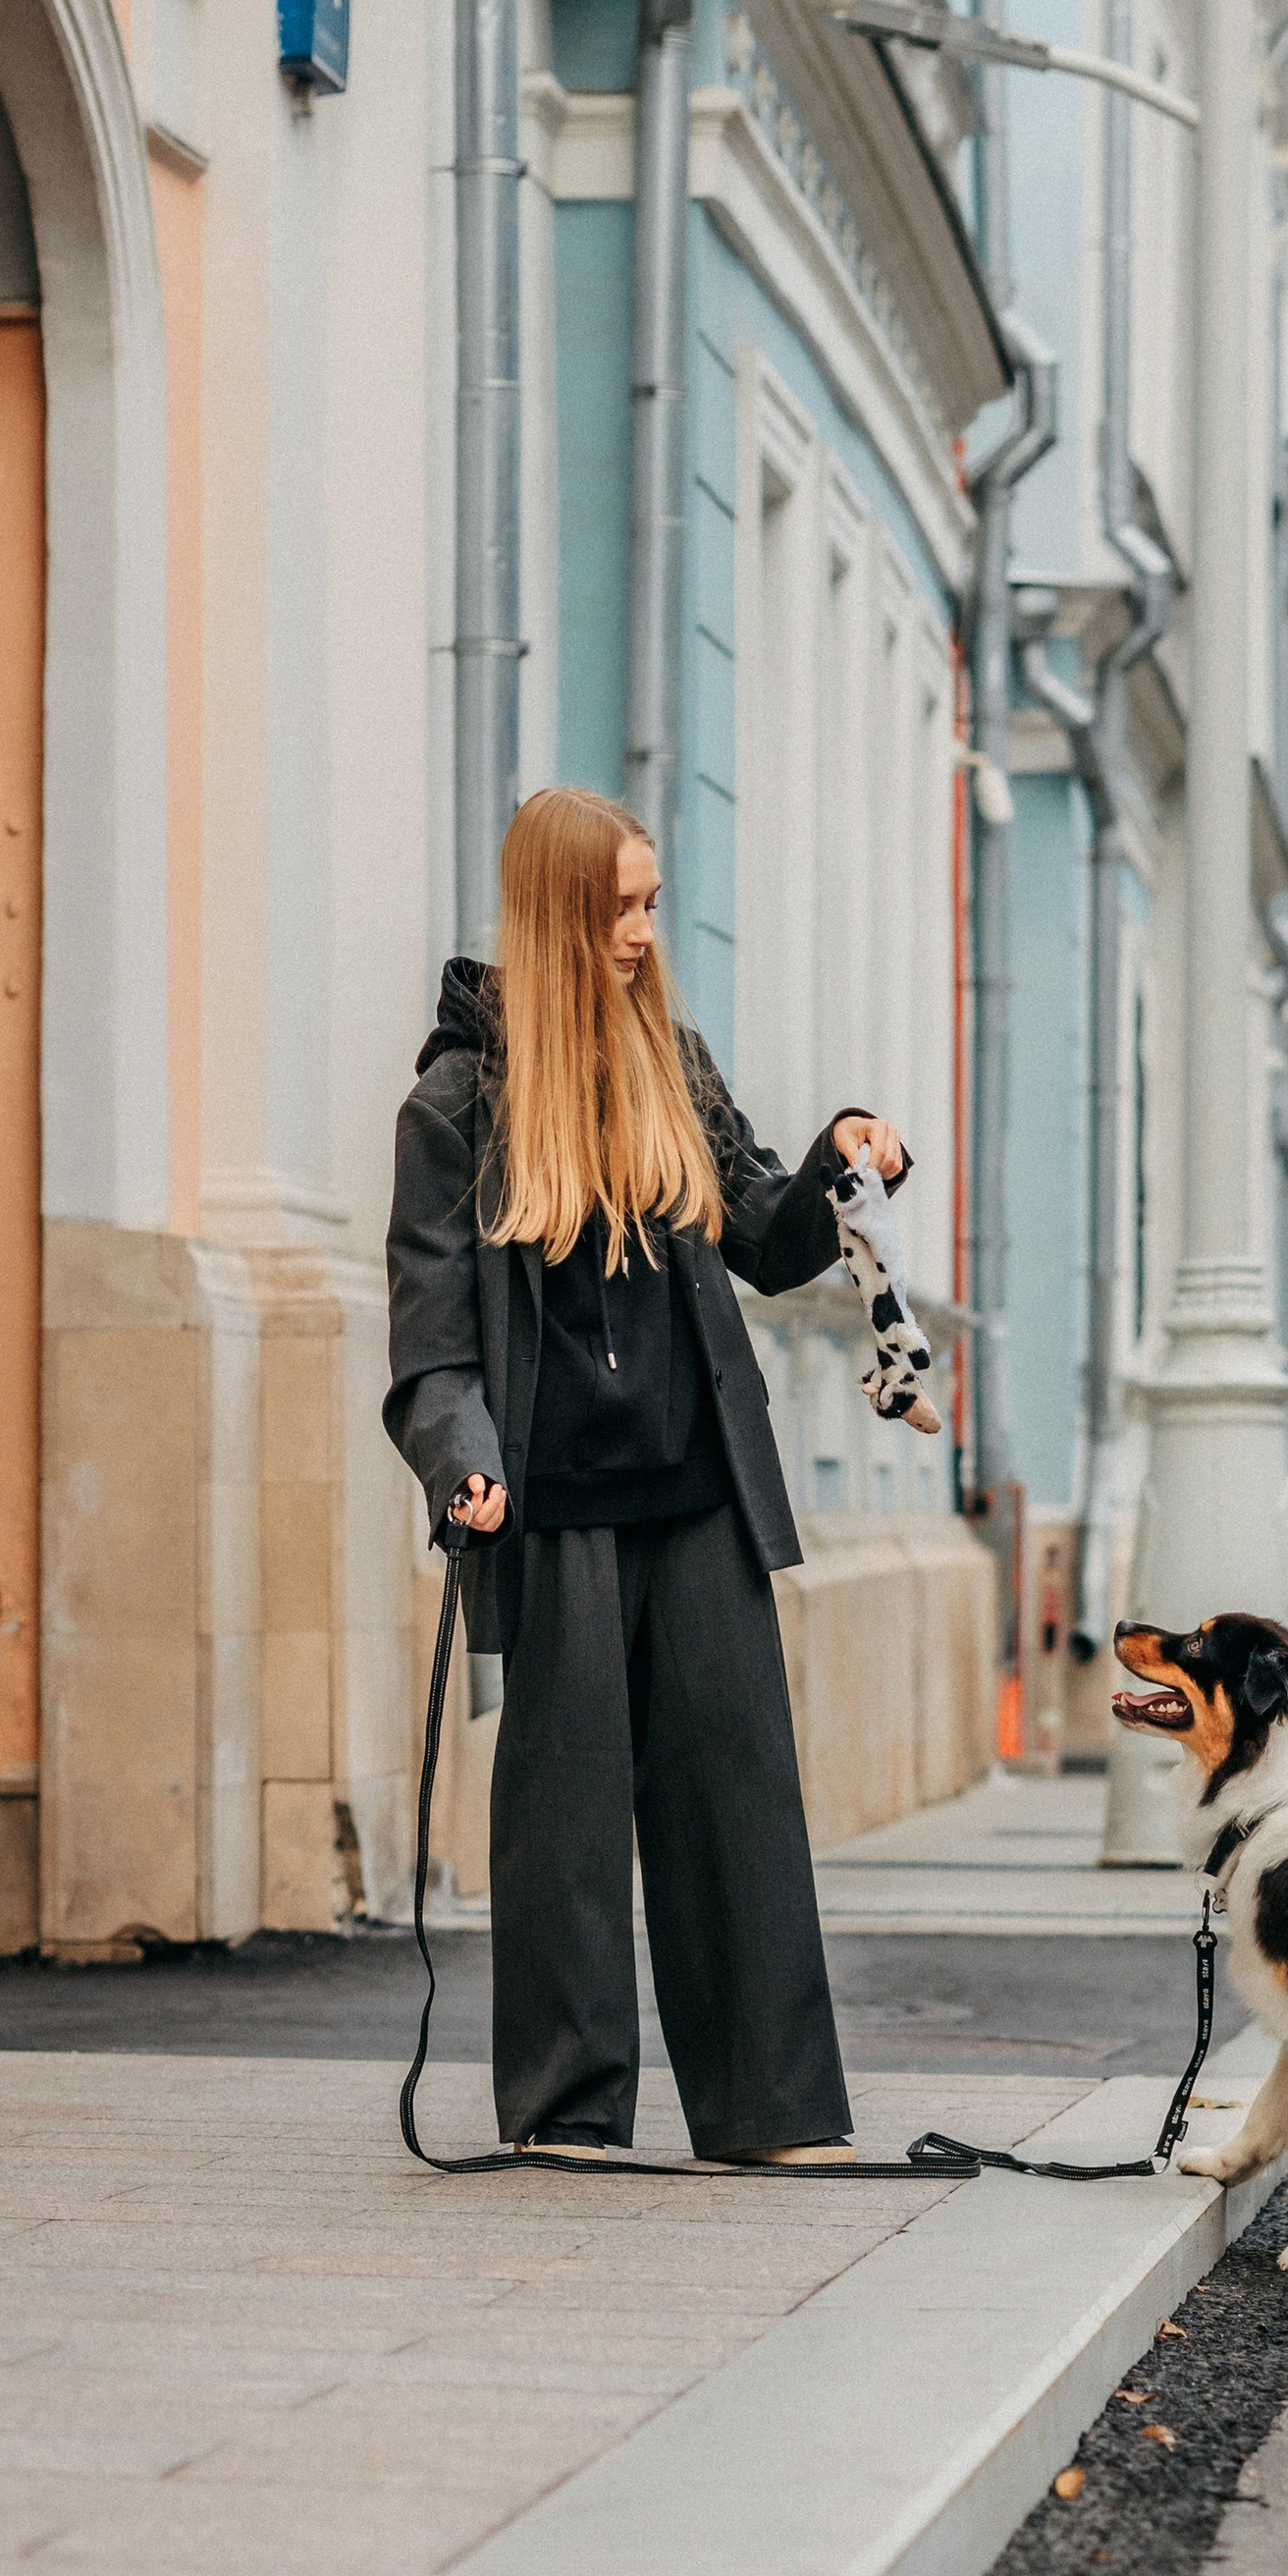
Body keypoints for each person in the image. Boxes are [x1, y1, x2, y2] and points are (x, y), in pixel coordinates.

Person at [383, 786, 909, 2165]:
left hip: (697, 1500)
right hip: (550, 1517)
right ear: (557, 912)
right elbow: (431, 1346)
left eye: (651, 901)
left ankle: (774, 2112)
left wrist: (840, 1159)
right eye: (617, 904)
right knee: (559, 1823)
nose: (639, 929)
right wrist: (462, 1467)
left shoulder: (672, 1061)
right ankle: (567, 2112)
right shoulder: (456, 1106)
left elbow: (767, 1236)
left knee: (737, 1797)